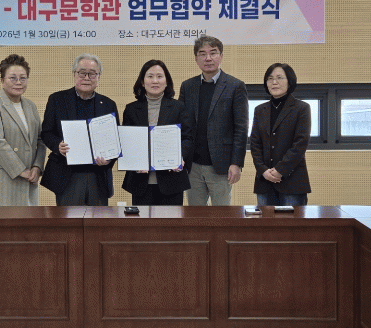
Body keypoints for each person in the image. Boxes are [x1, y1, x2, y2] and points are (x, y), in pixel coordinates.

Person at [40, 53, 119, 205]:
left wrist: (109, 159)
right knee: (69, 219)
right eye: (82, 73)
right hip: (67, 175)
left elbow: (115, 141)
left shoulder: (108, 104)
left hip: (98, 176)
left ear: (99, 77)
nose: (87, 78)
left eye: (92, 74)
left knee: (97, 218)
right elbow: (46, 133)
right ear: (74, 74)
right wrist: (58, 145)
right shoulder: (57, 100)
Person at [179, 35, 248, 206]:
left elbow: (241, 128)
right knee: (195, 215)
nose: (208, 58)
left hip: (221, 166)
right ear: (196, 59)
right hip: (192, 166)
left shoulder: (235, 86)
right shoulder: (187, 86)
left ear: (221, 56)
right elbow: (181, 126)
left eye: (213, 53)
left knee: (222, 215)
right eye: (202, 54)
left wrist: (236, 163)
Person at [122, 60, 193, 205]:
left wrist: (180, 156)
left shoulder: (179, 107)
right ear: (142, 82)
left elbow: (187, 137)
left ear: (166, 82)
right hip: (140, 181)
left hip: (171, 180)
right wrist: (134, 161)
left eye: (160, 76)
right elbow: (126, 141)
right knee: (142, 220)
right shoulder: (131, 109)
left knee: (170, 220)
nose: (155, 81)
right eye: (150, 76)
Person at [0, 54, 46, 206]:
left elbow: (40, 140)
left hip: (29, 177)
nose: (18, 82)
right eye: (13, 78)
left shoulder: (30, 106)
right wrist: (21, 170)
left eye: (23, 78)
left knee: (27, 219)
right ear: (2, 80)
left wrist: (37, 167)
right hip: (3, 176)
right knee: (3, 220)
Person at [250, 63, 311, 206]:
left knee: (293, 221)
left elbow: (300, 144)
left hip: (292, 181)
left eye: (279, 78)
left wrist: (280, 170)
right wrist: (263, 170)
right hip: (264, 182)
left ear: (290, 81)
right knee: (265, 221)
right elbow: (255, 143)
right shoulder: (260, 110)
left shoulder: (301, 108)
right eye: (270, 78)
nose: (274, 82)